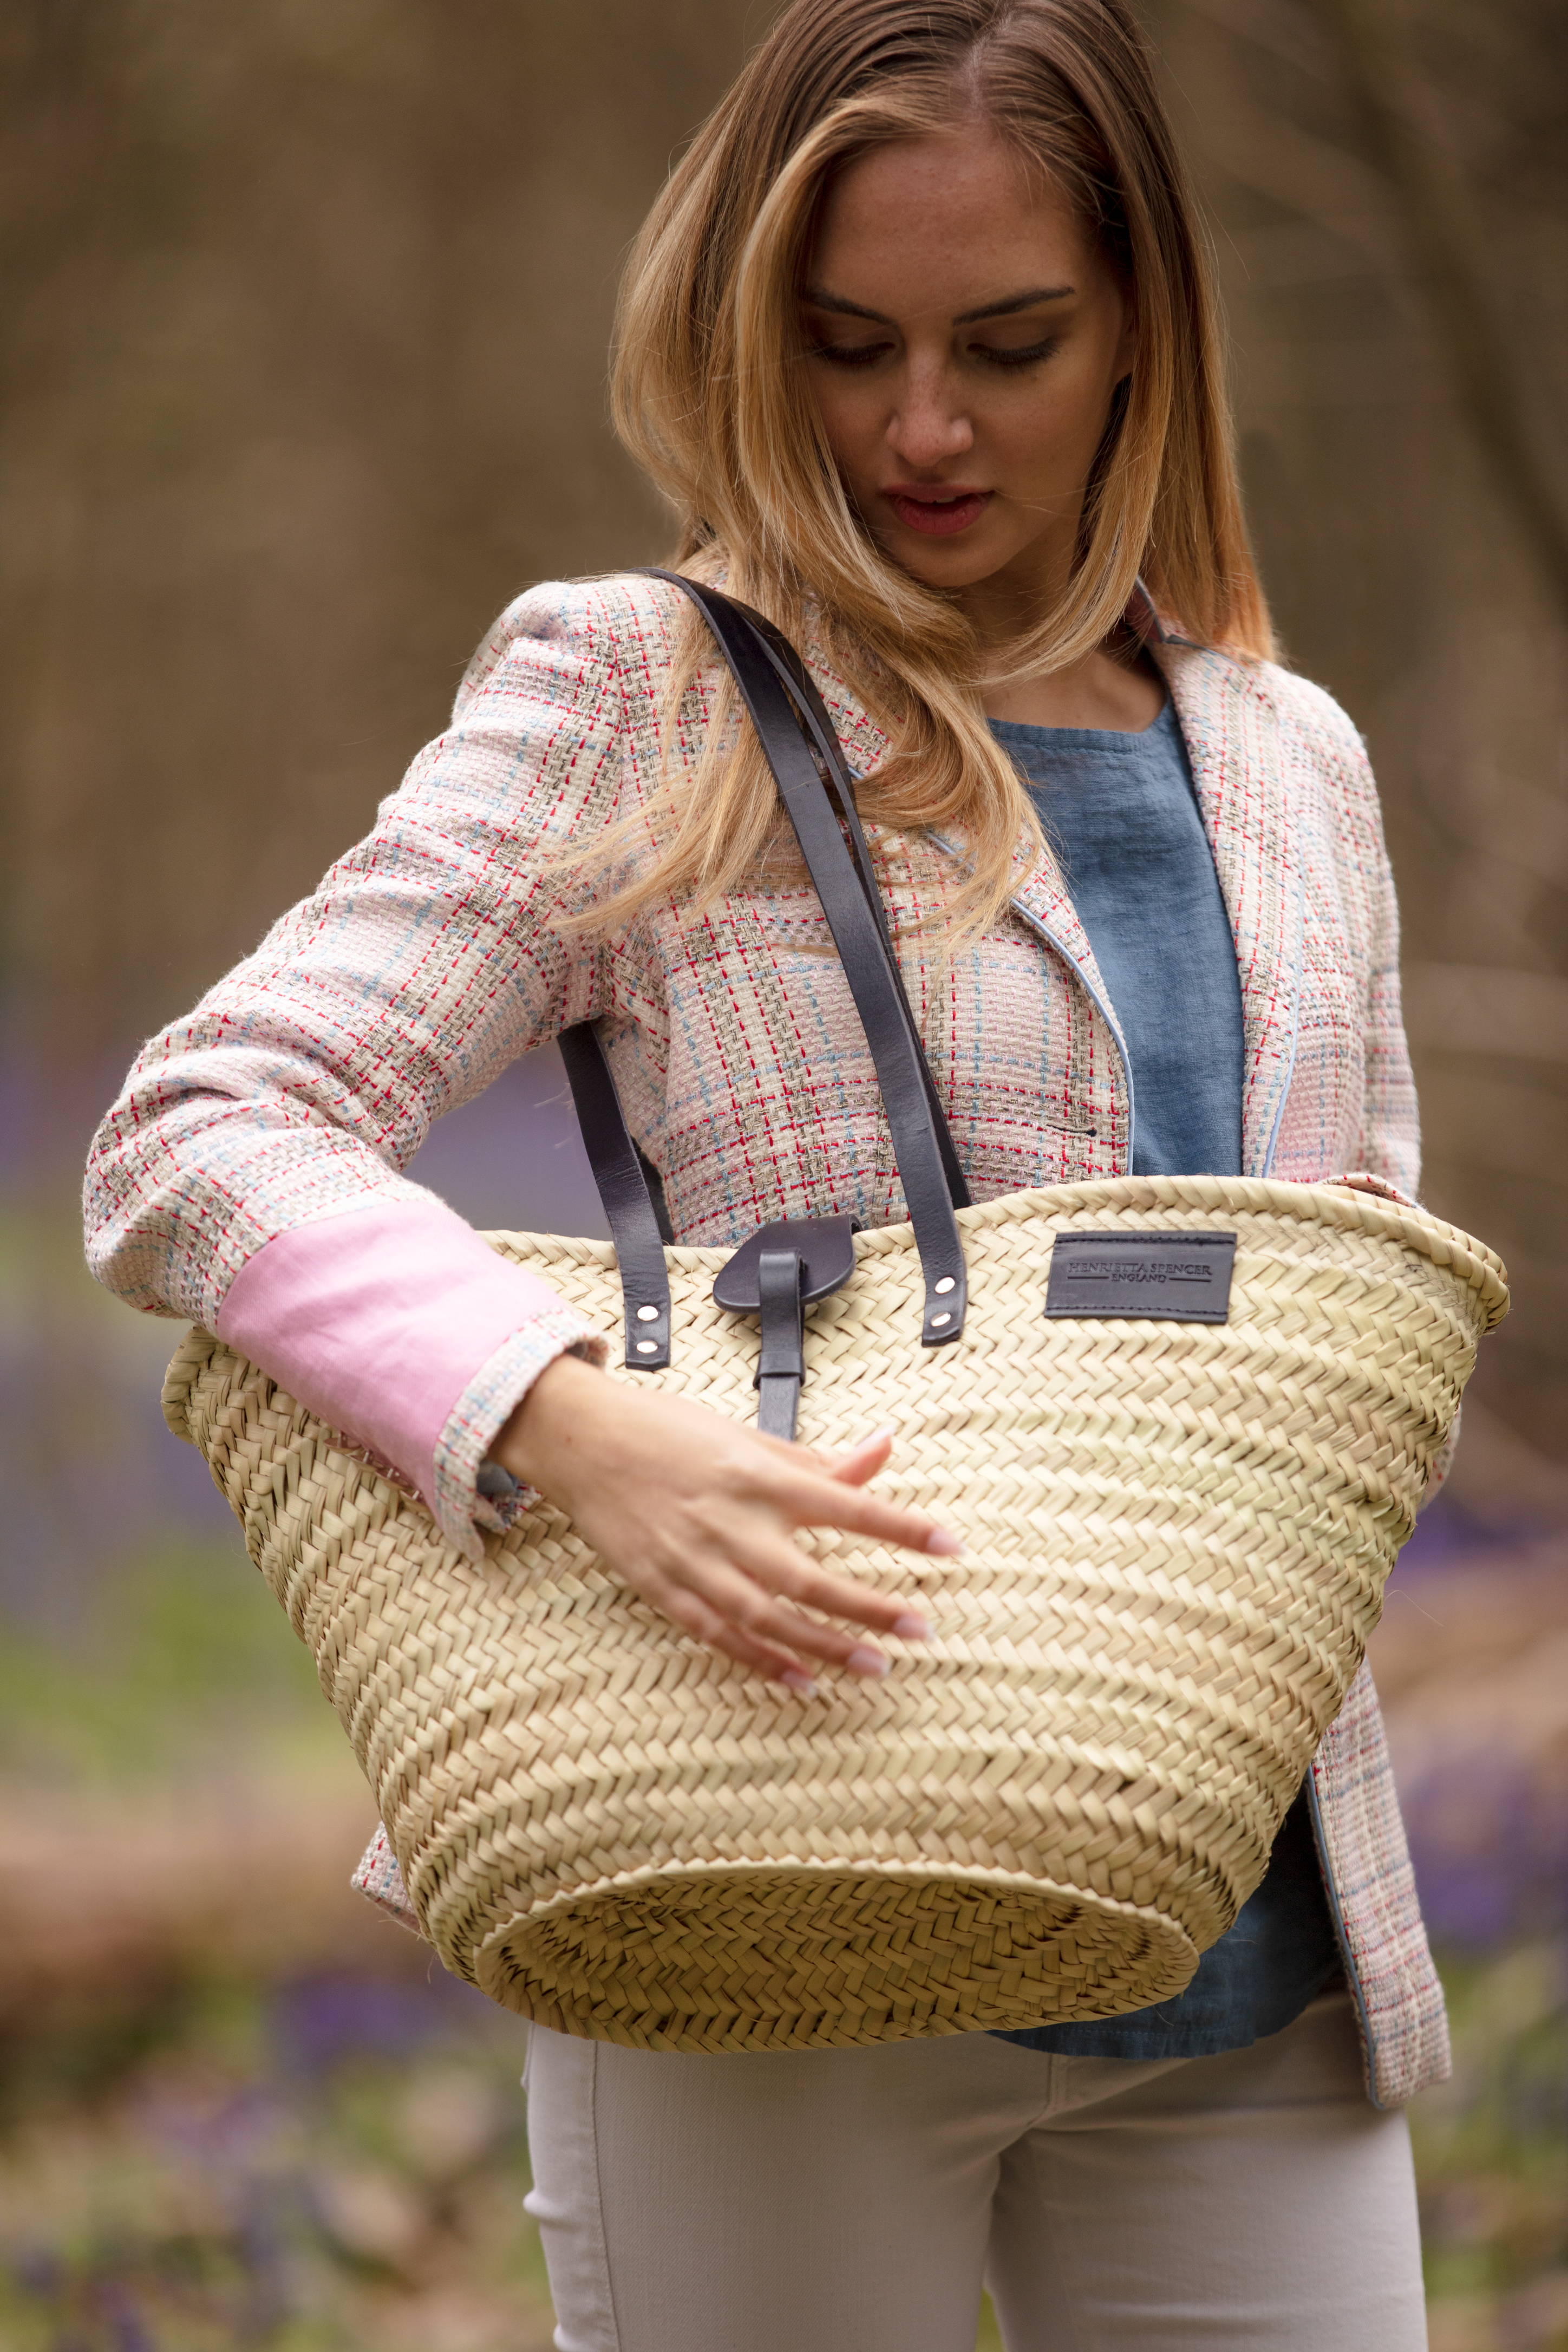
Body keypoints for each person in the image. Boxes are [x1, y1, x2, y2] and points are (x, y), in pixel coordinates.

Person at [86, 3, 1447, 2344]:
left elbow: (1356, 1309)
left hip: (1257, 1935)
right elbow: (194, 1132)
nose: (921, 426)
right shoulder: (649, 689)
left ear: (1141, 338)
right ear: (744, 334)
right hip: (763, 1870)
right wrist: (560, 1420)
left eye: (1008, 345)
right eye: (846, 346)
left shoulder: (1287, 756)